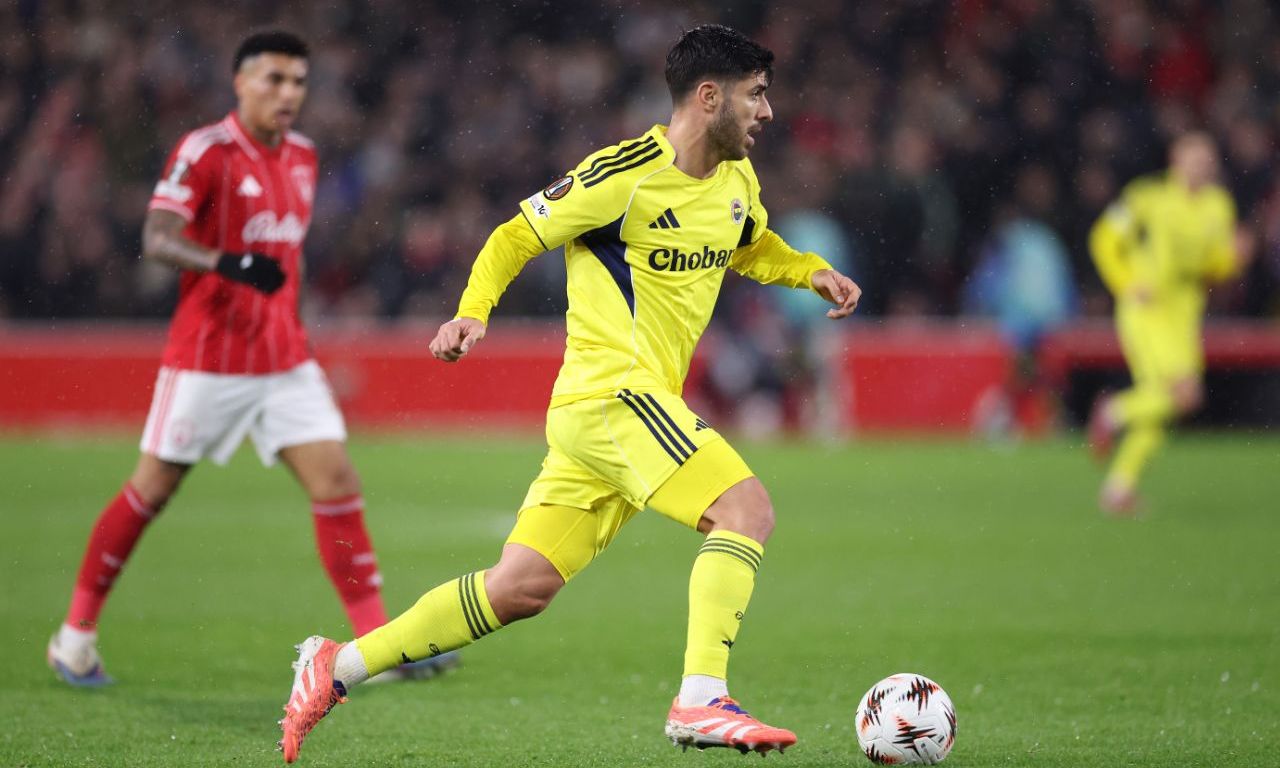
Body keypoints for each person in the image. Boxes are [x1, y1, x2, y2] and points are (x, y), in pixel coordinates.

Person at [276, 24, 861, 763]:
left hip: (612, 418)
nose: (768, 112)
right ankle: (702, 697)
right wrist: (472, 311)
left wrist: (809, 270)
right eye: (756, 95)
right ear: (709, 97)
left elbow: (749, 243)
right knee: (745, 510)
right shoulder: (624, 175)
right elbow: (515, 235)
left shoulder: (737, 182)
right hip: (615, 395)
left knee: (519, 588)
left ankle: (337, 666)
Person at [46, 30, 455, 687]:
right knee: (151, 491)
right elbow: (157, 236)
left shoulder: (303, 156)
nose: (288, 93)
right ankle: (74, 638)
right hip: (208, 360)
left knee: (337, 481)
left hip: (284, 360)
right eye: (274, 79)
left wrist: (293, 322)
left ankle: (376, 648)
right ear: (240, 83)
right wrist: (226, 262)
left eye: (298, 82)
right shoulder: (205, 151)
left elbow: (288, 260)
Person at [1086, 132, 1251, 514]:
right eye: (1194, 159)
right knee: (1184, 395)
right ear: (1175, 160)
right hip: (1148, 309)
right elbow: (1103, 238)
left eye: (1207, 161)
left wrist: (1235, 259)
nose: (1200, 167)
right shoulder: (1147, 198)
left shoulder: (1219, 206)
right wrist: (1126, 283)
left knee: (1165, 402)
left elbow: (1214, 267)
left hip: (1184, 314)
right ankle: (1112, 412)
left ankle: (1118, 489)